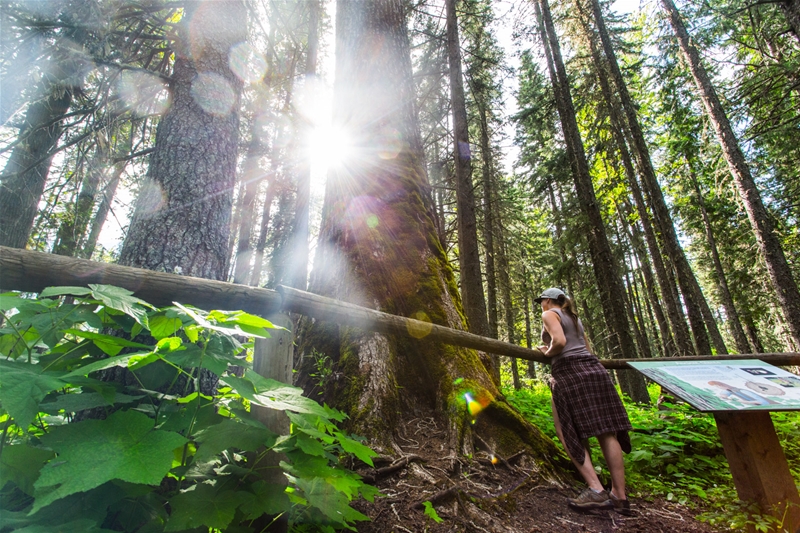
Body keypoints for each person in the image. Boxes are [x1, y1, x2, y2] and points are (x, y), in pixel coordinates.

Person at [535, 287, 632, 515]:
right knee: (606, 431)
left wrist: (546, 352)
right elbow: (587, 349)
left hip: (570, 372)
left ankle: (596, 489)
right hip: (594, 369)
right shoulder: (574, 317)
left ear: (548, 300)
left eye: (542, 301)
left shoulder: (549, 314)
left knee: (564, 429)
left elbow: (559, 342)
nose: (541, 305)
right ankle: (619, 496)